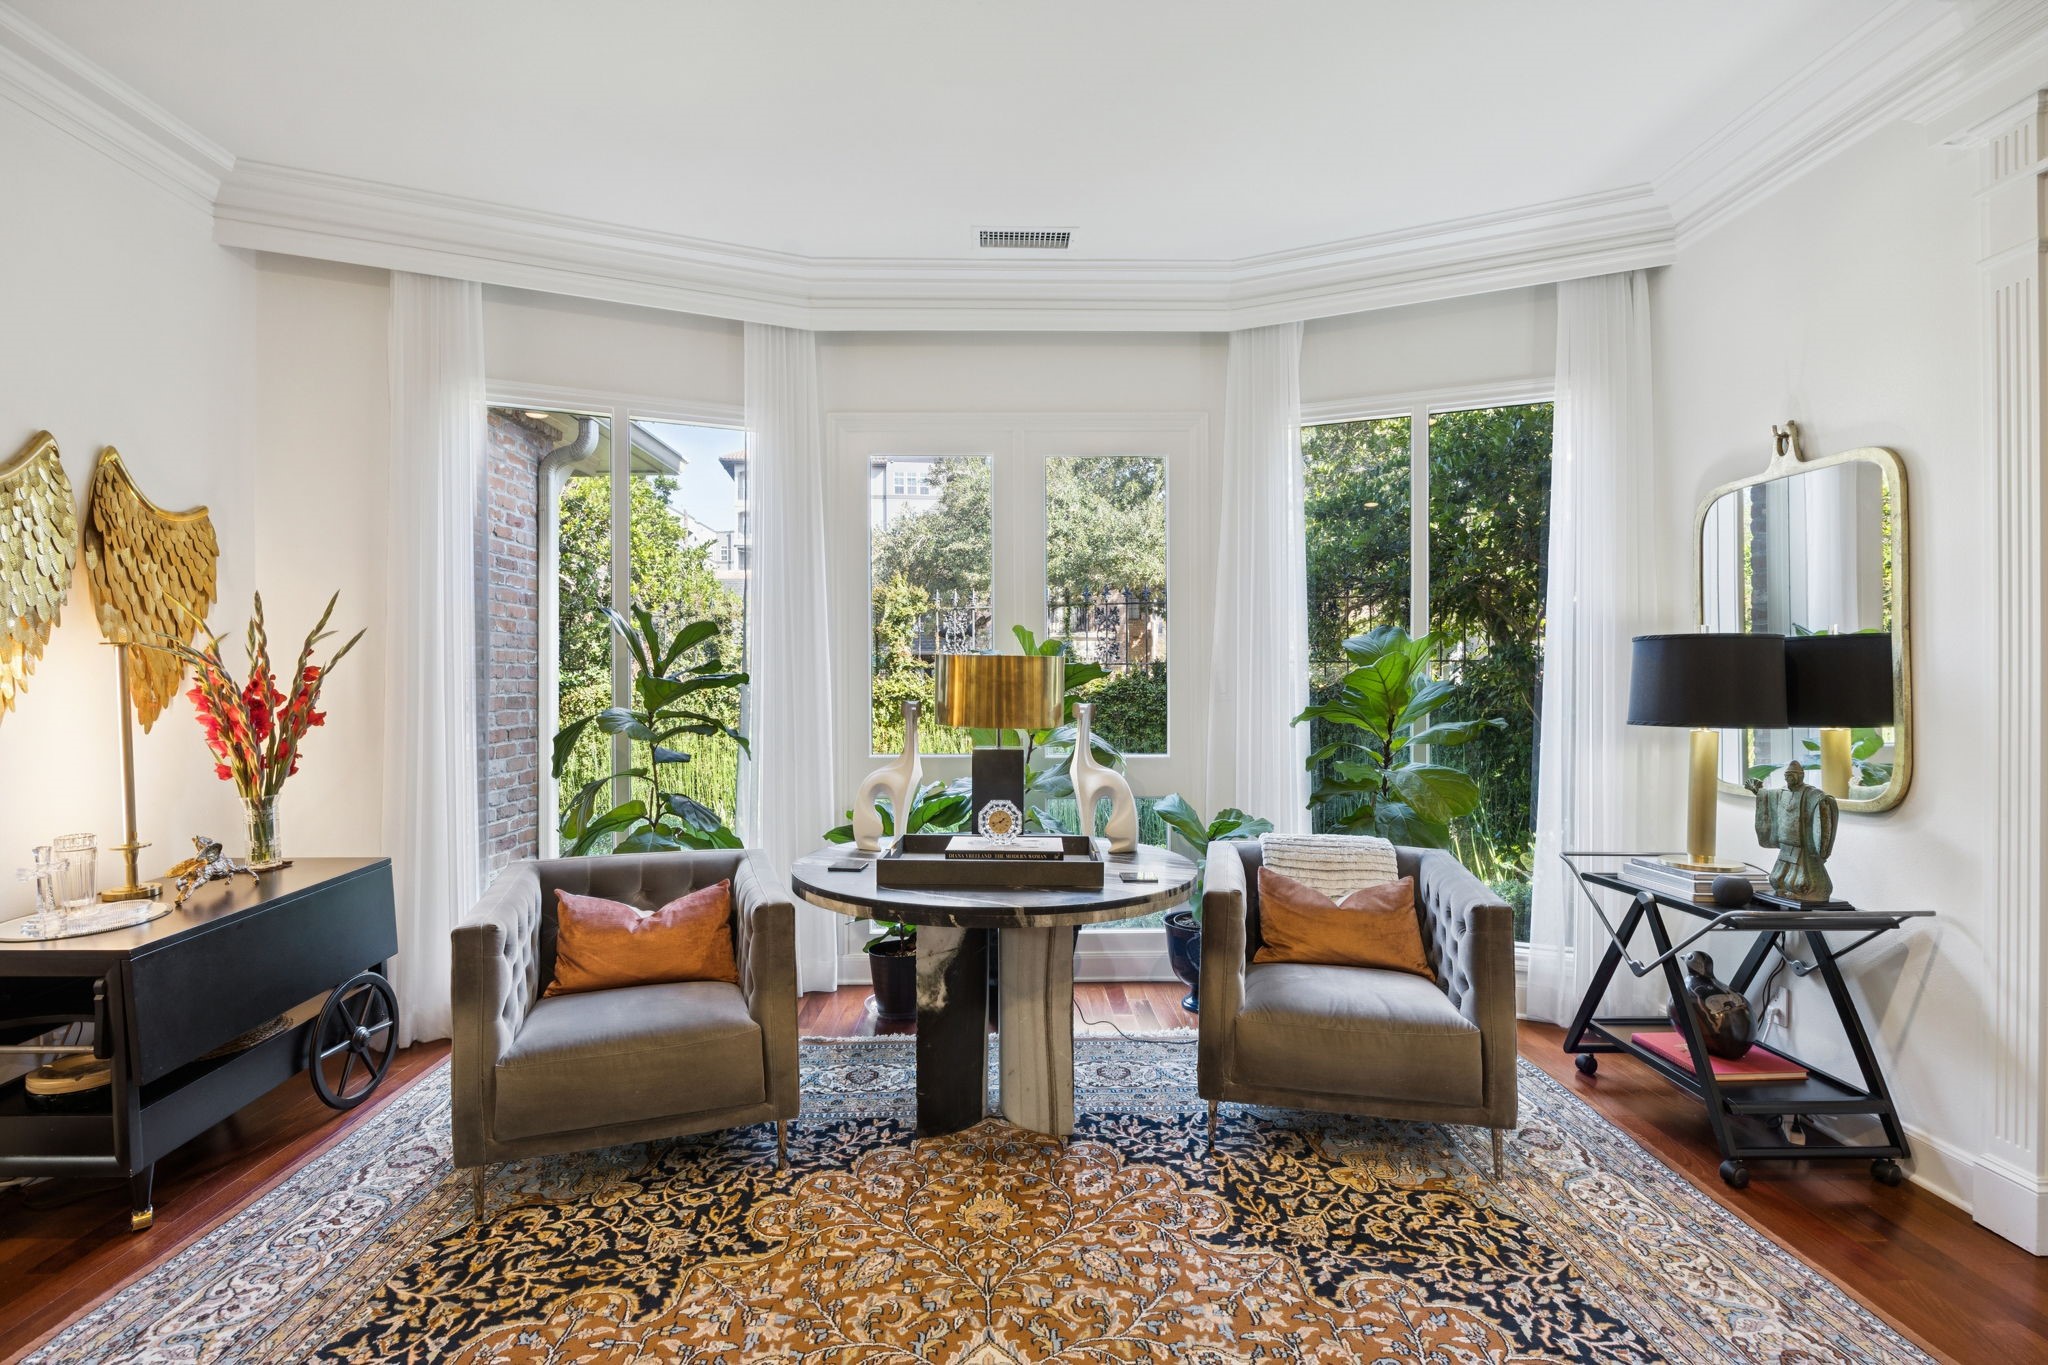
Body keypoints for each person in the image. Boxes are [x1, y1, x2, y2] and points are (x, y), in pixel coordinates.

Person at [1744, 760, 1838, 902]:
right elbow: (1769, 796)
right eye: (1787, 776)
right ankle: (1785, 891)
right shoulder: (1783, 792)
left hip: (1802, 848)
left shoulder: (1810, 793)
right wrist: (1758, 790)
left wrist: (1824, 801)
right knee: (1776, 879)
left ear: (1800, 776)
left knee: (1800, 882)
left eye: (1792, 776)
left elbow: (1822, 800)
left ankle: (1807, 894)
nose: (1789, 779)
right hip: (1786, 845)